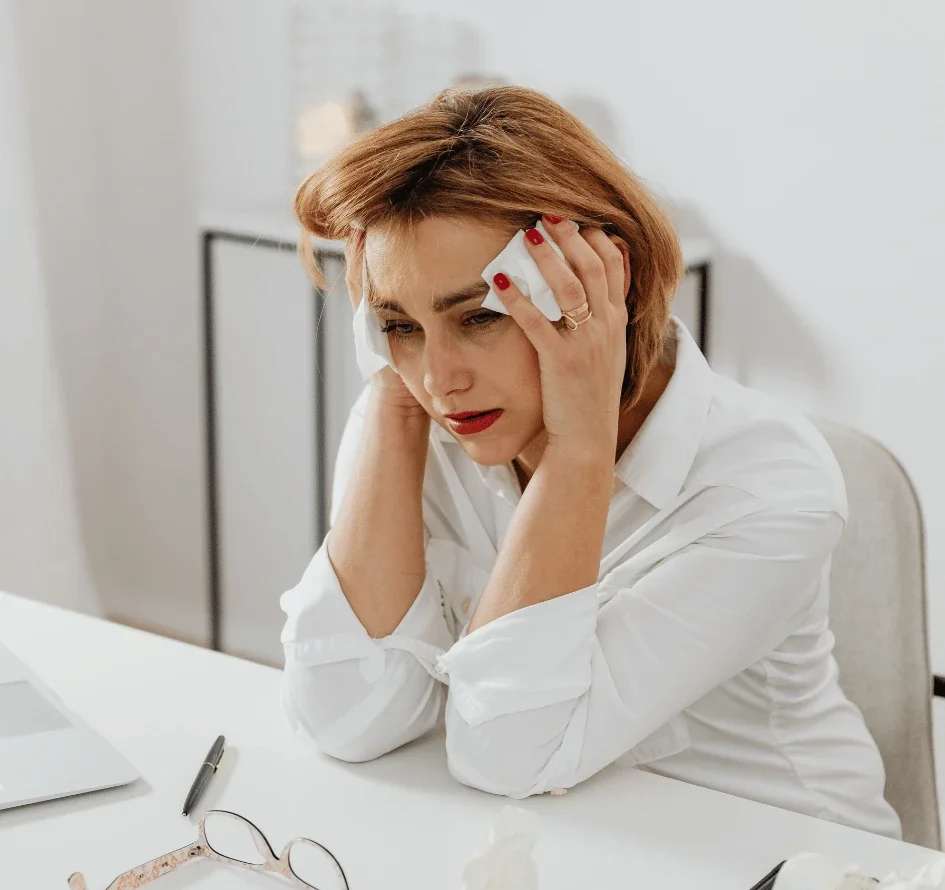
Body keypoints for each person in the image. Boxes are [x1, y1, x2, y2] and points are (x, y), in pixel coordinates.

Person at [279, 85, 900, 839]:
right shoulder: (417, 414)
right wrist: (389, 405)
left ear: (601, 281)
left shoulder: (766, 487)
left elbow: (504, 755)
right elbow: (344, 717)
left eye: (478, 316)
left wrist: (578, 449)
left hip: (782, 873)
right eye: (398, 324)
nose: (438, 377)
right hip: (571, 850)